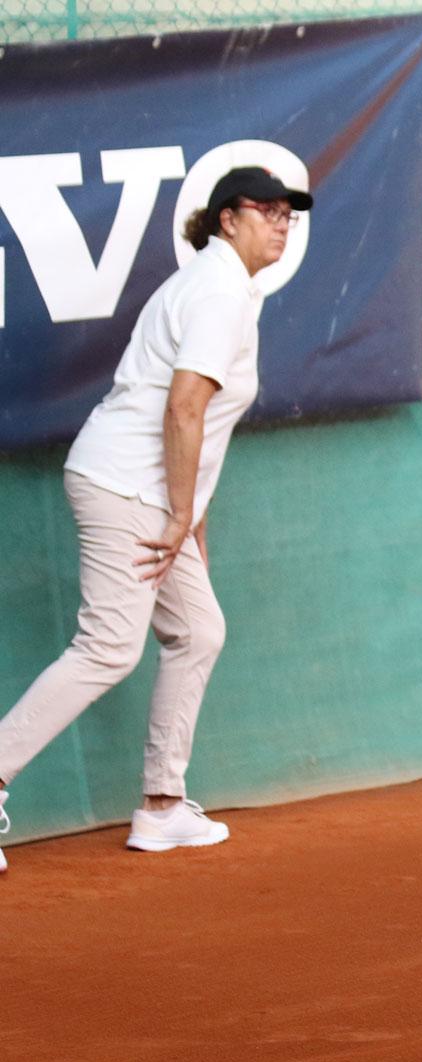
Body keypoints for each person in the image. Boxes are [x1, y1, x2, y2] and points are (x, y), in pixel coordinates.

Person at [0, 166, 312, 874]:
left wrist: (191, 518)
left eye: (288, 213)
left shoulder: (234, 290)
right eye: (266, 210)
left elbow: (210, 423)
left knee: (198, 629)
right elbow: (184, 408)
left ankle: (163, 807)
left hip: (150, 492)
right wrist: (178, 511)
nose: (281, 222)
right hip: (124, 486)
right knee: (110, 646)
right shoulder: (218, 290)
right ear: (226, 219)